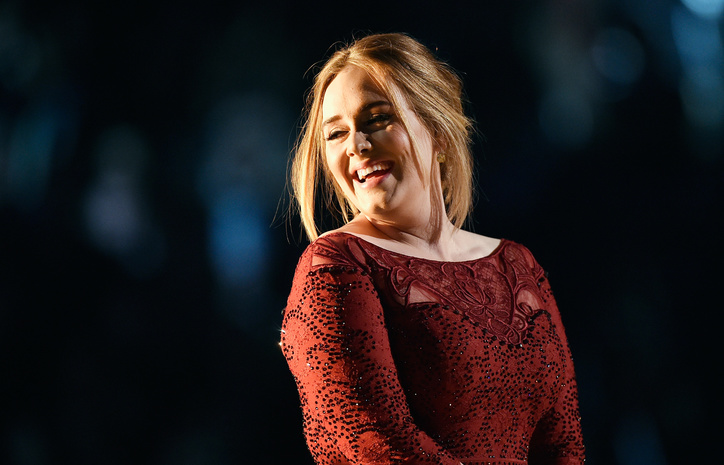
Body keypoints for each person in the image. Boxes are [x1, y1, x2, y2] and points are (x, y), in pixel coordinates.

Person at [280, 32, 585, 465]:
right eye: (336, 133)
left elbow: (564, 442)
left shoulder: (517, 264)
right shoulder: (336, 266)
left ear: (437, 130)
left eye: (377, 119)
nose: (356, 146)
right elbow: (378, 445)